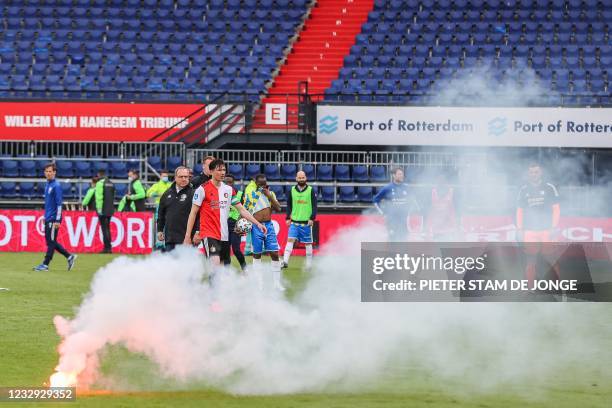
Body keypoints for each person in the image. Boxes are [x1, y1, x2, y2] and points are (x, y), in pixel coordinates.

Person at [183, 159, 265, 267]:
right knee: (215, 263)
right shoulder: (202, 189)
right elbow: (193, 213)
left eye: (224, 170)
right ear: (211, 171)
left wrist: (257, 223)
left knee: (222, 267)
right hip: (209, 233)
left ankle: (216, 284)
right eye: (219, 170)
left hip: (224, 234)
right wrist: (188, 236)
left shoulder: (229, 190)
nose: (222, 173)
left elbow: (242, 210)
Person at [516, 163, 561, 285]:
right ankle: (530, 287)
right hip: (530, 231)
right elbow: (520, 211)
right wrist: (520, 229)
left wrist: (554, 227)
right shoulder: (524, 189)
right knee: (531, 261)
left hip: (547, 230)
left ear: (540, 173)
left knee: (551, 258)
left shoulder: (549, 188)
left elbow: (556, 209)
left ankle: (556, 285)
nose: (533, 174)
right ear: (528, 174)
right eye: (531, 172)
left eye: (536, 172)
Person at [243, 174, 284, 290]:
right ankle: (259, 283)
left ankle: (277, 284)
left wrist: (269, 196)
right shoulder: (250, 195)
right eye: (260, 183)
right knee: (257, 254)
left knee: (274, 253)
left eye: (264, 183)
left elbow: (278, 208)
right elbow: (245, 209)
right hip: (256, 226)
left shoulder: (271, 194)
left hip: (269, 225)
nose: (262, 185)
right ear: (255, 183)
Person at [33, 163, 77, 271]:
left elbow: (59, 204)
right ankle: (69, 256)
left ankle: (45, 264)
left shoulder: (56, 186)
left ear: (54, 172)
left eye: (50, 171)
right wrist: (45, 216)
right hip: (48, 217)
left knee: (51, 242)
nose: (48, 173)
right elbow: (49, 203)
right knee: (50, 242)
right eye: (46, 171)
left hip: (53, 219)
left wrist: (58, 219)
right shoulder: (48, 184)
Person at [373, 167, 420, 241]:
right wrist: (383, 213)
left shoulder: (407, 187)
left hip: (404, 220)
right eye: (399, 174)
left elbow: (413, 200)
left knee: (403, 240)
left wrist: (414, 210)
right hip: (392, 220)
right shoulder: (387, 188)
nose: (401, 176)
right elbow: (375, 200)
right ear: (394, 175)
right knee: (393, 240)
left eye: (402, 174)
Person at [282, 170, 317, 270]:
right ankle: (285, 261)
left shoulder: (311, 190)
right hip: (294, 222)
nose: (301, 179)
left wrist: (312, 218)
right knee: (290, 240)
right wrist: (288, 217)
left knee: (308, 244)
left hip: (306, 222)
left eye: (303, 177)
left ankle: (309, 265)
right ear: (296, 179)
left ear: (306, 178)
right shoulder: (292, 190)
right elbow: (289, 205)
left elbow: (314, 206)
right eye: (299, 178)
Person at [157, 166, 195, 252]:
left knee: (186, 264)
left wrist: (196, 232)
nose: (184, 179)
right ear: (175, 177)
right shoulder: (167, 193)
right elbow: (161, 213)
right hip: (170, 238)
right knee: (170, 264)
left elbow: (199, 215)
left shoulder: (194, 193)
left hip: (187, 238)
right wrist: (159, 230)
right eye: (181, 176)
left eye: (186, 176)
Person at [424, 171, 460, 241]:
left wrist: (455, 222)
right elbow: (428, 207)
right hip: (436, 224)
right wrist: (428, 224)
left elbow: (457, 207)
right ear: (436, 180)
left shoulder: (452, 191)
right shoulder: (432, 191)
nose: (441, 181)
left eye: (443, 179)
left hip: (448, 224)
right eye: (439, 179)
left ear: (446, 181)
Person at [223, 174, 247, 271]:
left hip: (236, 225)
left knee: (236, 249)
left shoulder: (240, 194)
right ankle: (227, 271)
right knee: (225, 250)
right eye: (226, 182)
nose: (228, 184)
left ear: (233, 183)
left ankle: (244, 267)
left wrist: (241, 223)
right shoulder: (220, 193)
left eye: (230, 182)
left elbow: (244, 210)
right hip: (224, 225)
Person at [95, 170, 115, 254]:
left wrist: (99, 210)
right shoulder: (111, 183)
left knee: (104, 229)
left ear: (99, 174)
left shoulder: (100, 183)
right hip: (110, 209)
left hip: (103, 209)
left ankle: (106, 248)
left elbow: (99, 197)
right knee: (108, 228)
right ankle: (109, 248)